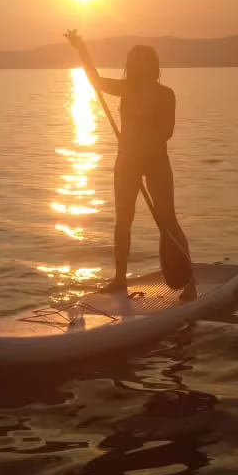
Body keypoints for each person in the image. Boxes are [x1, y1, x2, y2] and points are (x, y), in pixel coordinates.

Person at [66, 32, 193, 294]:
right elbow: (96, 81)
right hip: (126, 162)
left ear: (153, 66)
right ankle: (120, 279)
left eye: (144, 61)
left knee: (167, 218)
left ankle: (189, 282)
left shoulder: (165, 94)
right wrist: (82, 50)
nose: (138, 66)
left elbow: (166, 131)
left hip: (156, 161)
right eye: (134, 61)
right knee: (123, 221)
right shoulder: (126, 89)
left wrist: (143, 152)